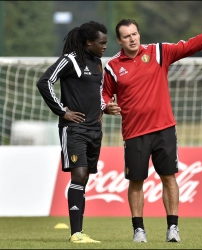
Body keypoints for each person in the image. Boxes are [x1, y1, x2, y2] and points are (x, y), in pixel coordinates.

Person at [102, 15, 202, 243]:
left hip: (164, 129)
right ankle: (139, 230)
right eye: (126, 37)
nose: (132, 39)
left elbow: (191, 45)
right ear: (119, 40)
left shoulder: (158, 52)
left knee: (169, 178)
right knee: (136, 182)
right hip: (134, 133)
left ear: (139, 34)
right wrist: (106, 106)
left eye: (134, 34)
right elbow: (105, 94)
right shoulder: (113, 66)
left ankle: (173, 228)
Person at [36, 21, 108, 243]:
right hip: (73, 128)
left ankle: (79, 231)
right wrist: (62, 111)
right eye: (101, 42)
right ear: (88, 42)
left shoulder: (98, 63)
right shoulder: (70, 60)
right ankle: (76, 234)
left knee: (84, 177)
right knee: (78, 174)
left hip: (94, 129)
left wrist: (105, 108)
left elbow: (95, 93)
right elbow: (44, 82)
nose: (105, 46)